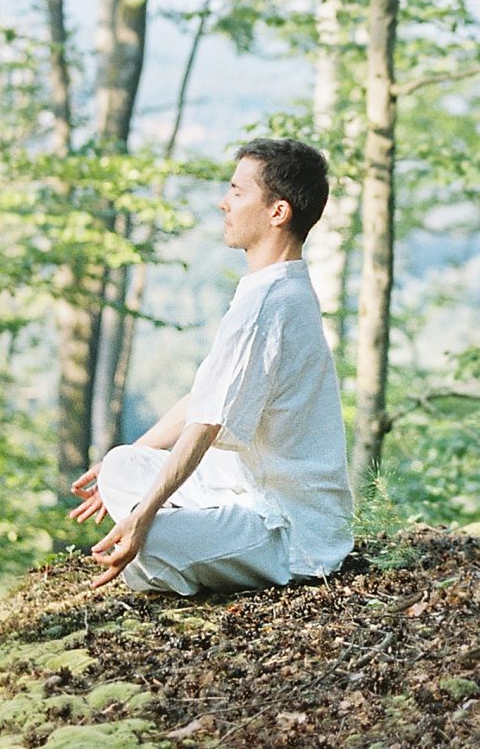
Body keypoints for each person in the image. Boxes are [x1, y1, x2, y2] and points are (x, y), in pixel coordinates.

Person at [67, 137, 354, 594]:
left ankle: (199, 546)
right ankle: (200, 535)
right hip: (248, 485)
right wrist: (133, 460)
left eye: (237, 192)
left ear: (278, 212)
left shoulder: (268, 305)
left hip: (291, 531)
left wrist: (143, 515)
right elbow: (205, 397)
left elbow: (206, 423)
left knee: (147, 545)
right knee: (120, 466)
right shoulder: (271, 288)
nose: (224, 203)